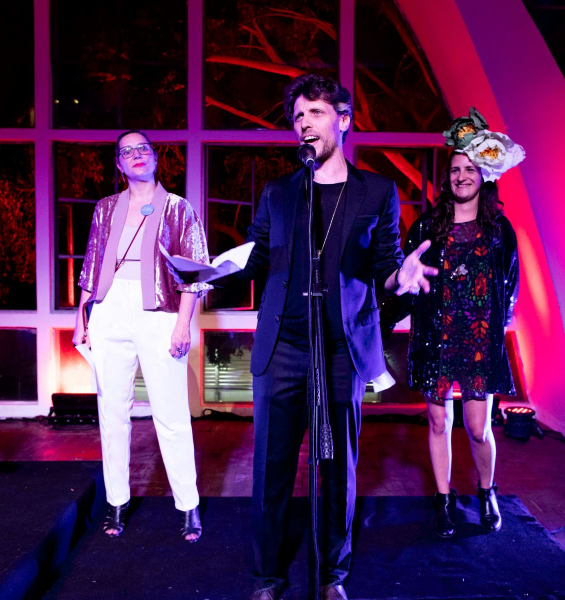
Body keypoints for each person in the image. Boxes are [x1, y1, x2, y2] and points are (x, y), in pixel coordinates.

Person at [235, 74, 437, 600]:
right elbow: (256, 257)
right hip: (282, 349)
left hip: (341, 350)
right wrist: (208, 274)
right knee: (271, 470)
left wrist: (402, 278)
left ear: (343, 121)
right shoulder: (280, 192)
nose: (304, 122)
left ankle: (332, 575)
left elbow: (386, 264)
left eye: (316, 112)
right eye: (298, 116)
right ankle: (267, 576)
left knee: (337, 468)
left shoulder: (376, 191)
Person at [72, 130, 211, 542]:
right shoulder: (105, 207)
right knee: (112, 412)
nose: (136, 155)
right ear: (119, 164)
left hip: (160, 313)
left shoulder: (178, 207)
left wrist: (183, 323)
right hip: (109, 307)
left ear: (154, 157)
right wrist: (82, 316)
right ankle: (116, 500)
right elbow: (92, 264)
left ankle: (188, 505)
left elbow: (194, 271)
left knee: (171, 415)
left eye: (143, 148)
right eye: (127, 151)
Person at [391, 108, 524, 538]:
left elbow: (510, 285)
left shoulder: (500, 230)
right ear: (446, 178)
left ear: (483, 175)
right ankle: (444, 500)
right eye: (454, 170)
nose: (461, 176)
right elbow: (406, 277)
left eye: (469, 169)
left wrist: (497, 332)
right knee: (437, 423)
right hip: (437, 338)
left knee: (478, 429)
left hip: (479, 343)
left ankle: (486, 492)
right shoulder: (427, 226)